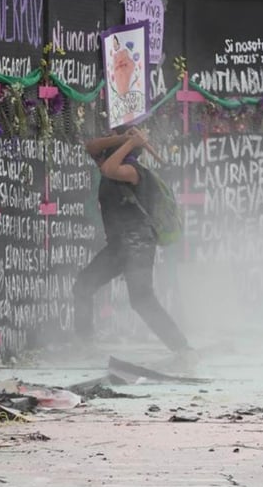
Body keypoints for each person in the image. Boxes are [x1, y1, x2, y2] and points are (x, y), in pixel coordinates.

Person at [73, 126, 194, 362]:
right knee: (84, 285)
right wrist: (126, 138)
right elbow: (90, 147)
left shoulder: (132, 171)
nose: (102, 152)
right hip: (120, 245)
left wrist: (128, 144)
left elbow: (109, 169)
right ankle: (84, 343)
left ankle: (183, 349)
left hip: (138, 245)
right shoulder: (113, 163)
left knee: (141, 299)